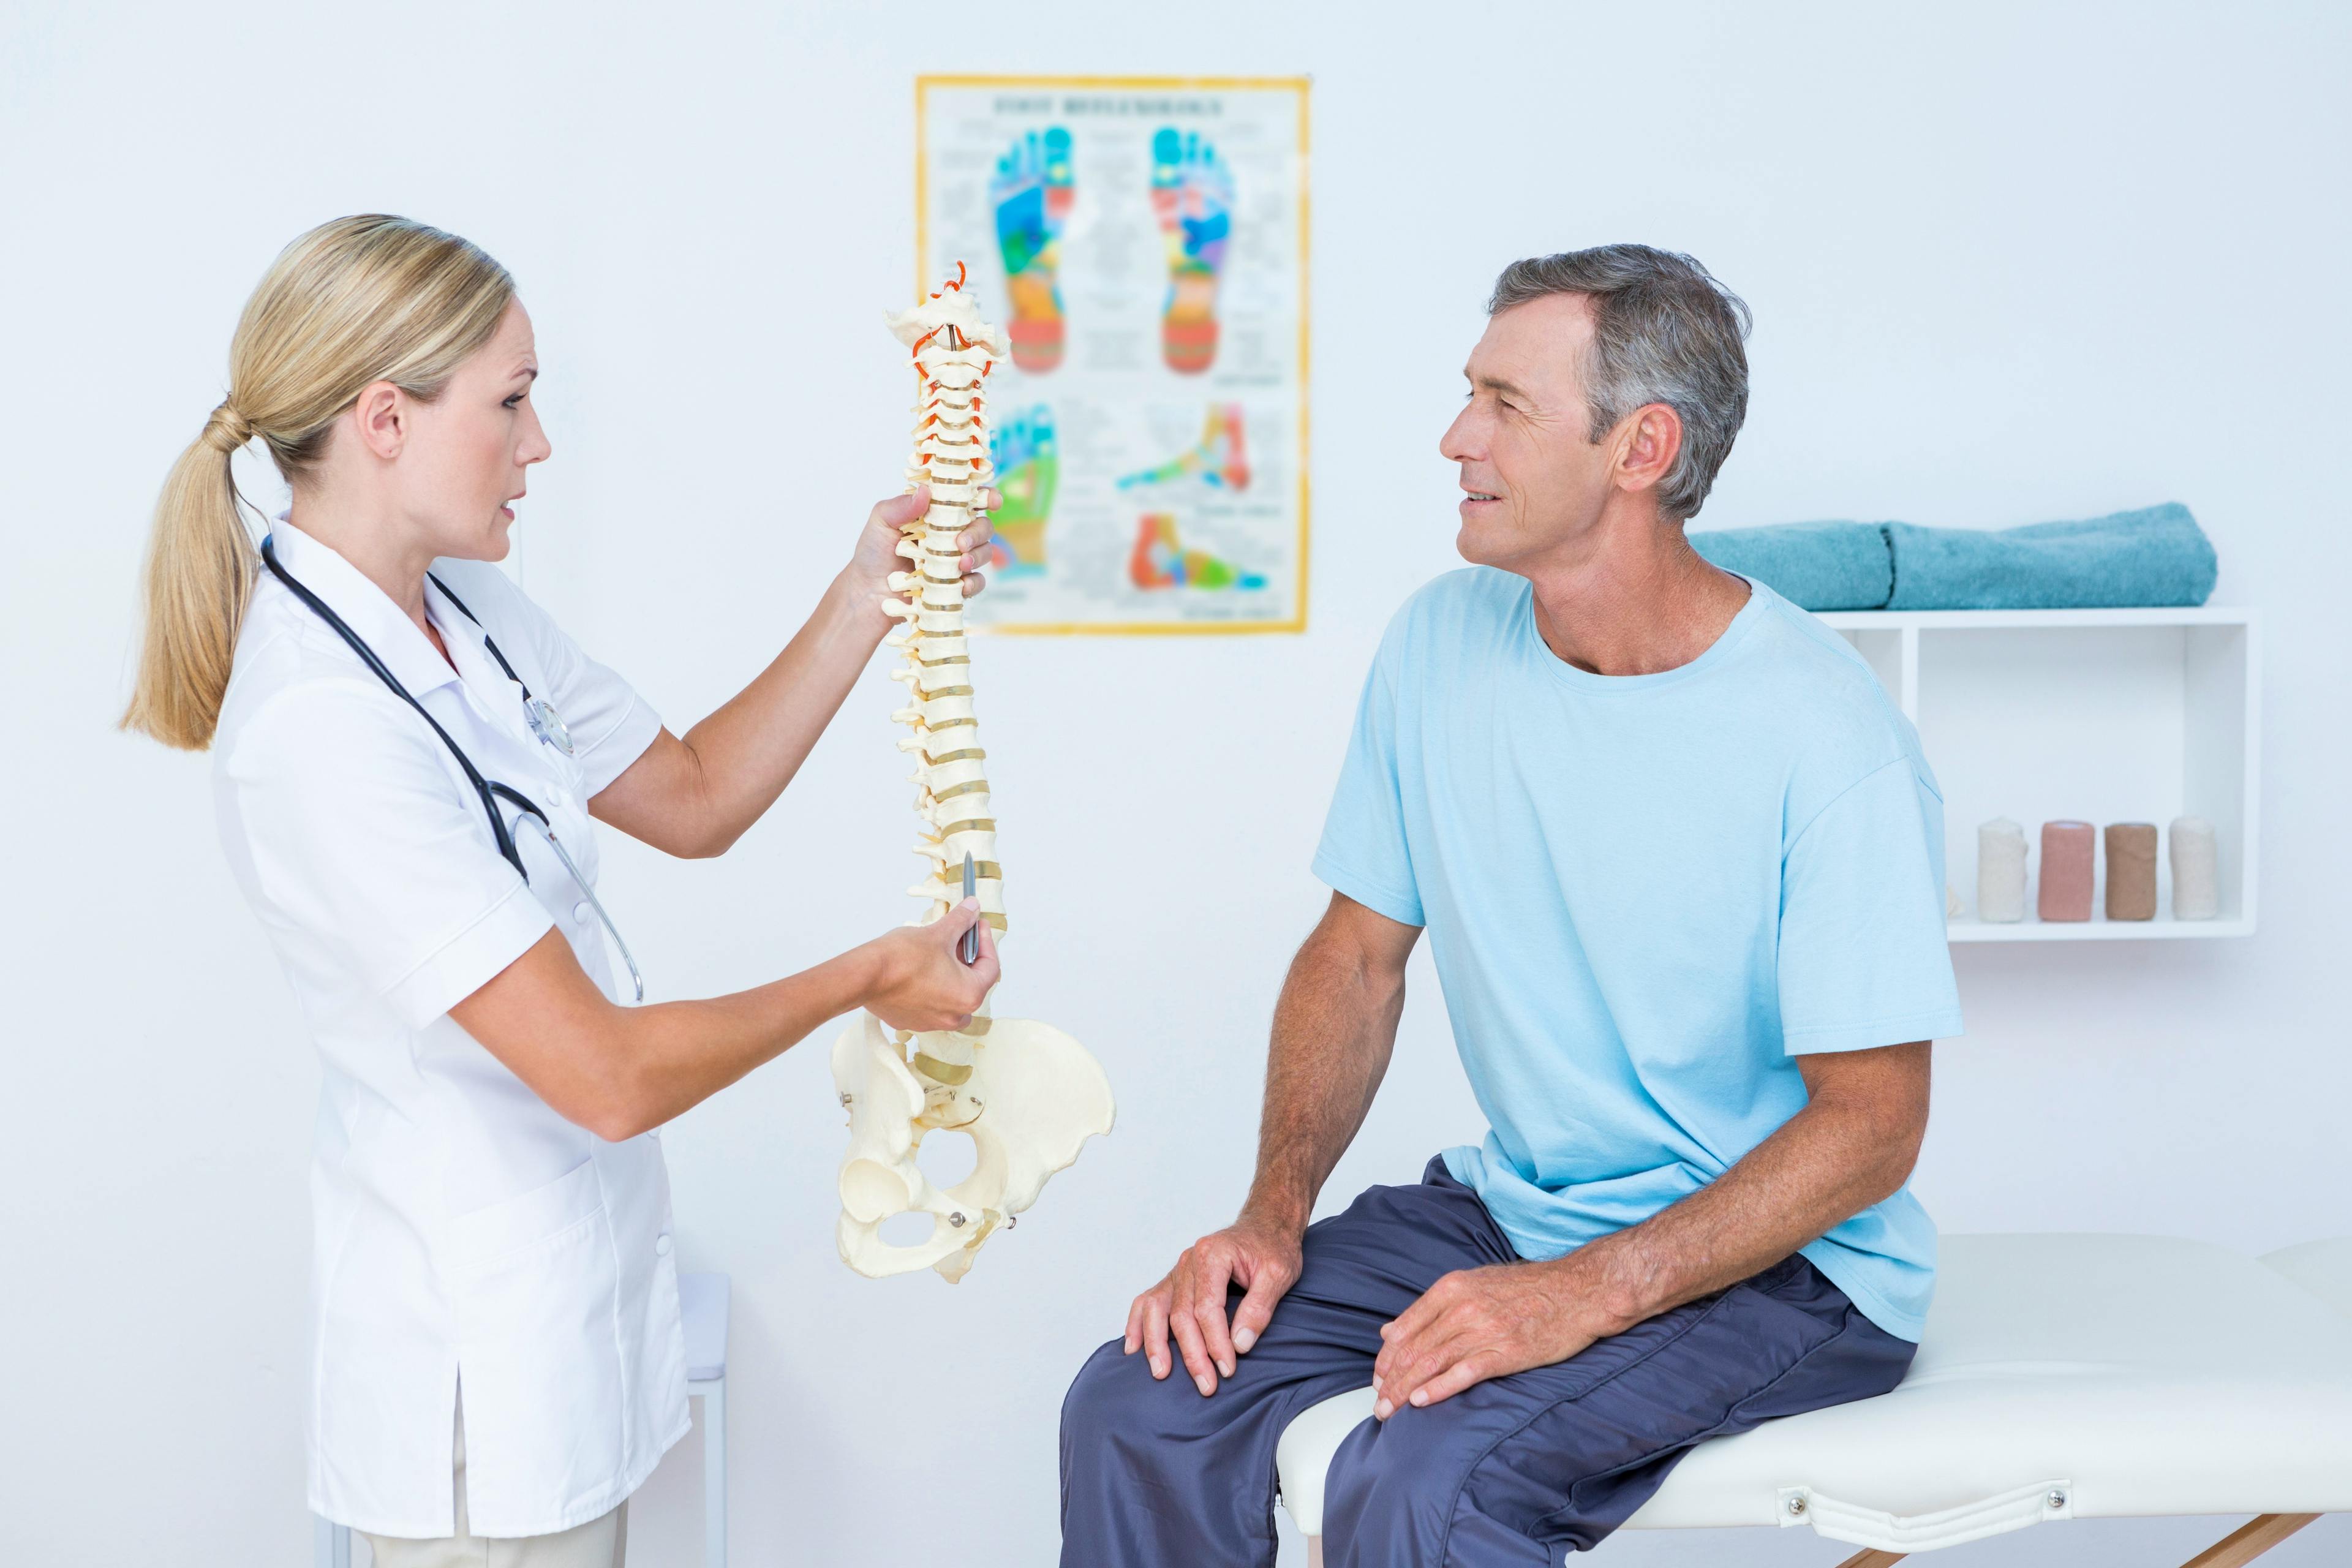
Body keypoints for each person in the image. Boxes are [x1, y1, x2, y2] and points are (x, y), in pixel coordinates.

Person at [1060, 245, 1966, 1566]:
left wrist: (1585, 1293)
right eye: (1468, 393)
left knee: (1432, 1478)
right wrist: (1271, 1215)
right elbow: (1357, 958)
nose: (1456, 436)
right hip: (1522, 1209)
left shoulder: (1828, 738)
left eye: (1506, 403)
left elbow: (1874, 1126)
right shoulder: (1440, 645)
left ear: (1641, 448)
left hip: (1788, 1266)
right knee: (1144, 1403)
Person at [122, 215, 1001, 1566]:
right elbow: (606, 1075)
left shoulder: (464, 610)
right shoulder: (319, 727)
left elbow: (695, 796)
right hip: (470, 1368)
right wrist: (871, 975)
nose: (539, 446)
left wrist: (867, 592)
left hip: (562, 1323)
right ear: (384, 420)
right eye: (512, 402)